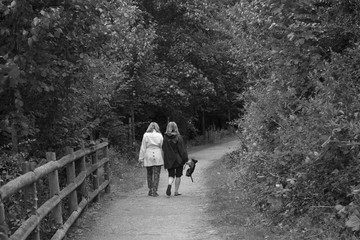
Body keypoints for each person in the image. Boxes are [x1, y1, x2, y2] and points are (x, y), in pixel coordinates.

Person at [162, 121, 190, 196]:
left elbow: (164, 149)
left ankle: (169, 184)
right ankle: (176, 191)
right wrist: (186, 160)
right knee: (178, 175)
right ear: (176, 128)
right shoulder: (178, 137)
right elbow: (182, 150)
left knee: (171, 174)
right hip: (178, 159)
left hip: (169, 159)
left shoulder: (165, 137)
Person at [138, 122, 164, 197]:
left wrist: (141, 158)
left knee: (149, 173)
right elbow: (162, 147)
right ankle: (155, 190)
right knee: (156, 174)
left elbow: (143, 147)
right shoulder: (159, 135)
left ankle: (150, 189)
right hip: (157, 154)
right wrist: (164, 158)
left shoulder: (146, 135)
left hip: (148, 154)